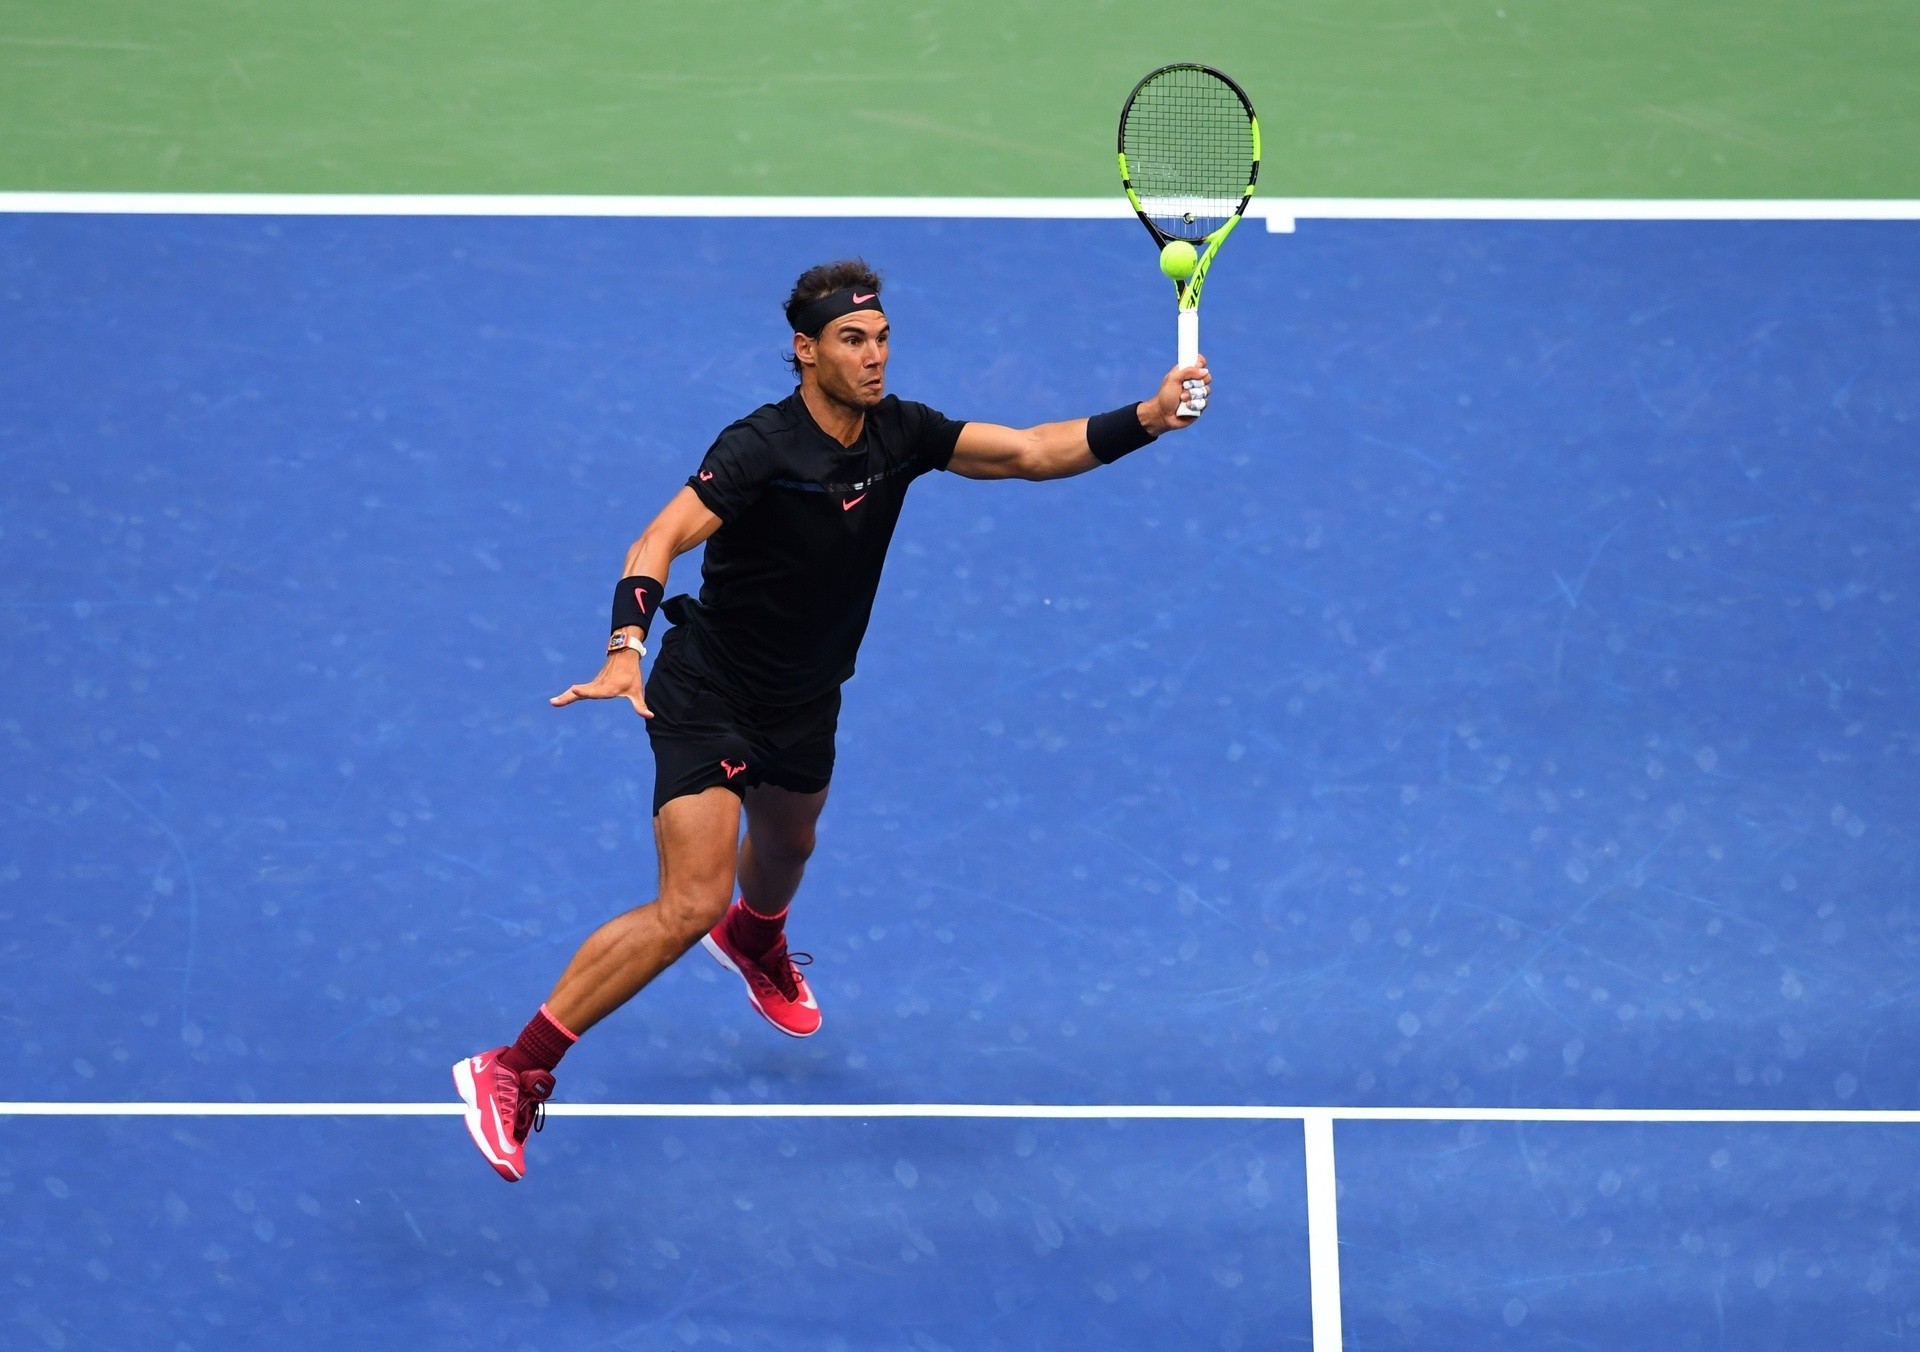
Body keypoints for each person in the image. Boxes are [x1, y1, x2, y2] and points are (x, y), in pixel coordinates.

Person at [453, 258, 1212, 1181]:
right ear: (806, 351)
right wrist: (626, 647)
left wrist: (1147, 417)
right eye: (853, 340)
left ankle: (756, 937)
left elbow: (1024, 453)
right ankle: (514, 1065)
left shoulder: (900, 433)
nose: (875, 355)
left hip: (806, 697)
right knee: (690, 901)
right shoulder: (757, 448)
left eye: (884, 336)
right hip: (711, 696)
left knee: (789, 846)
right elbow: (657, 539)